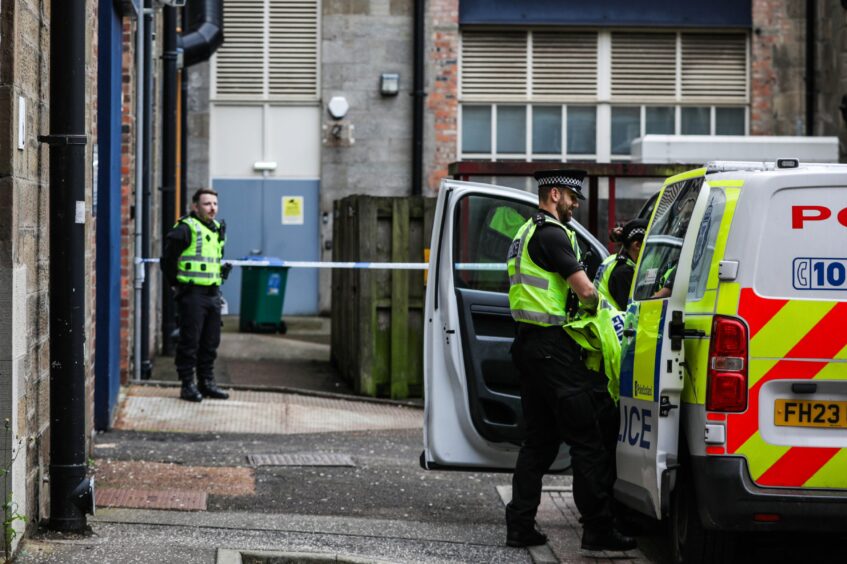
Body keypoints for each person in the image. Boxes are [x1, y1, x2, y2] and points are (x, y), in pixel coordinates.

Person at [505, 169, 636, 552]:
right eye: (573, 198)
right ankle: (597, 529)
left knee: (539, 443)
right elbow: (585, 290)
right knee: (588, 440)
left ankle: (520, 525)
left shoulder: (524, 233)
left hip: (528, 347)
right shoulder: (552, 234)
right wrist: (596, 305)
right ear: (556, 194)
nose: (576, 205)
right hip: (552, 350)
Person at [162, 187, 232, 403]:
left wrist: (221, 273)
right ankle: (187, 385)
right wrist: (176, 285)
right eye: (207, 204)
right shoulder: (185, 228)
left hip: (212, 294)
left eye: (215, 204)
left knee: (210, 342)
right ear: (195, 206)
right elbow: (168, 260)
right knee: (189, 341)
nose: (212, 208)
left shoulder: (218, 229)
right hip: (192, 294)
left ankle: (207, 382)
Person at [594, 219, 648, 311]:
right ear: (637, 245)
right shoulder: (624, 271)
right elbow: (633, 311)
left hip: (601, 320)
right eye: (648, 245)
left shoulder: (613, 260)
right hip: (609, 323)